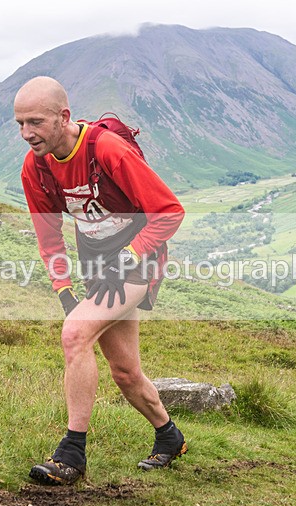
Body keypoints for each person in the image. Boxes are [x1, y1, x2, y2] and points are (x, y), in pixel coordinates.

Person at [14, 76, 187, 485]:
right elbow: (49, 239)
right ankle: (170, 437)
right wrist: (64, 291)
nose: (26, 134)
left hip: (138, 258)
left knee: (75, 335)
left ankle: (71, 455)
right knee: (125, 371)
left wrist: (124, 260)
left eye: (36, 122)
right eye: (19, 123)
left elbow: (169, 211)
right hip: (98, 267)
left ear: (64, 117)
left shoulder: (106, 149)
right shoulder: (35, 167)